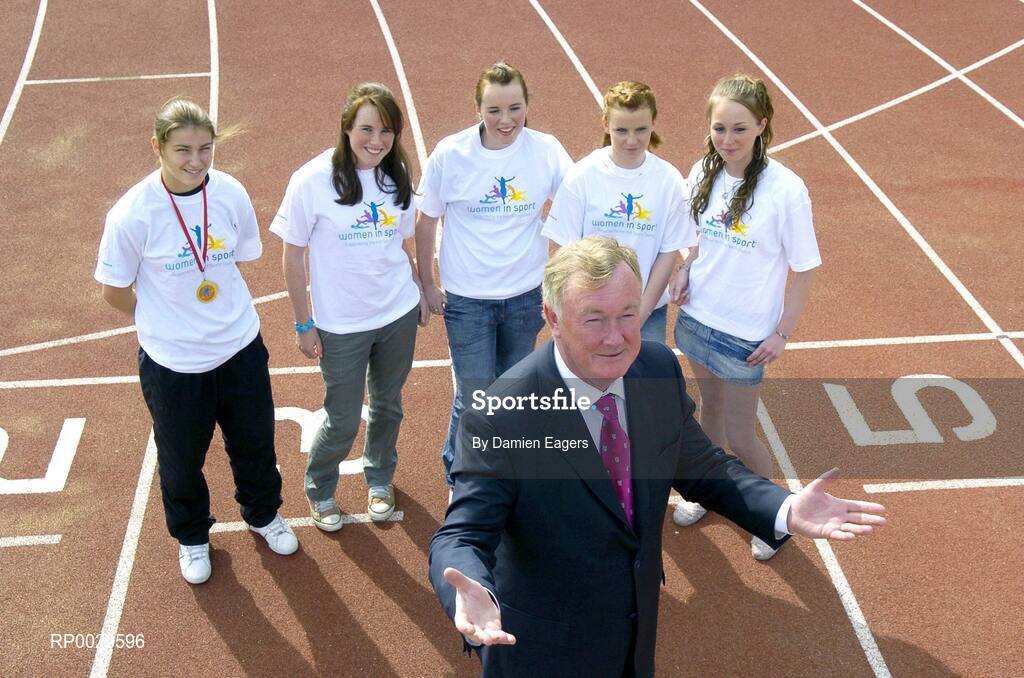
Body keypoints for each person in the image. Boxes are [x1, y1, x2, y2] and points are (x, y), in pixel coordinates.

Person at [428, 236, 883, 677]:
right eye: (594, 319)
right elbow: (462, 534)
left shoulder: (657, 368)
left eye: (628, 314)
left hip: (634, 631)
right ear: (553, 317)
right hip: (543, 649)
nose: (616, 337)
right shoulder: (502, 415)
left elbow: (703, 466)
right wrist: (471, 589)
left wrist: (782, 506)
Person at [95, 98, 298, 585]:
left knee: (254, 441)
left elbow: (242, 256)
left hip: (239, 346)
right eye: (182, 149)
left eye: (205, 149)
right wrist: (164, 323)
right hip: (174, 364)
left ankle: (263, 513)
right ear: (157, 147)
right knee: (181, 459)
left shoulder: (229, 192)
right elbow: (113, 291)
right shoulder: (132, 214)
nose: (196, 161)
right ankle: (192, 537)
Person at [669, 74, 821, 561]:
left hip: (746, 336)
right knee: (707, 417)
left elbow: (805, 268)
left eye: (738, 129)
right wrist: (685, 268)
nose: (728, 140)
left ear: (762, 125)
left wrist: (782, 332)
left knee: (740, 433)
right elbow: (698, 241)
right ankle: (709, 494)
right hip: (696, 319)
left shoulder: (786, 190)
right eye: (719, 129)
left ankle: (772, 517)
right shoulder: (702, 171)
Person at [270, 83, 427, 530]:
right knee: (341, 417)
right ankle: (320, 487)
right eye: (366, 129)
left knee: (388, 405)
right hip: (341, 324)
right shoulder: (311, 180)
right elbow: (292, 255)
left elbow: (401, 241)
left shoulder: (395, 174)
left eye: (387, 131)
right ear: (346, 128)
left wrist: (416, 287)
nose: (376, 141)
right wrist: (304, 323)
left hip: (396, 314)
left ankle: (380, 479)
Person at [415, 61, 573, 490]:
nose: (506, 120)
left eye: (515, 108)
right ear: (478, 108)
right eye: (494, 110)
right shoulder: (451, 153)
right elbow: (426, 219)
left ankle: (501, 466)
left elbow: (577, 203)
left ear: (528, 105)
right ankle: (459, 473)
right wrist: (427, 281)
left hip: (525, 296)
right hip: (467, 299)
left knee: (512, 392)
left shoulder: (547, 150)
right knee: (475, 394)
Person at [543, 81, 694, 343]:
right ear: (605, 124)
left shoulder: (669, 180)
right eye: (621, 130)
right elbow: (567, 253)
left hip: (646, 313)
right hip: (590, 311)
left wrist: (639, 315)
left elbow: (667, 255)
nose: (632, 140)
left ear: (653, 123)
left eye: (641, 130)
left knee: (643, 383)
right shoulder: (582, 176)